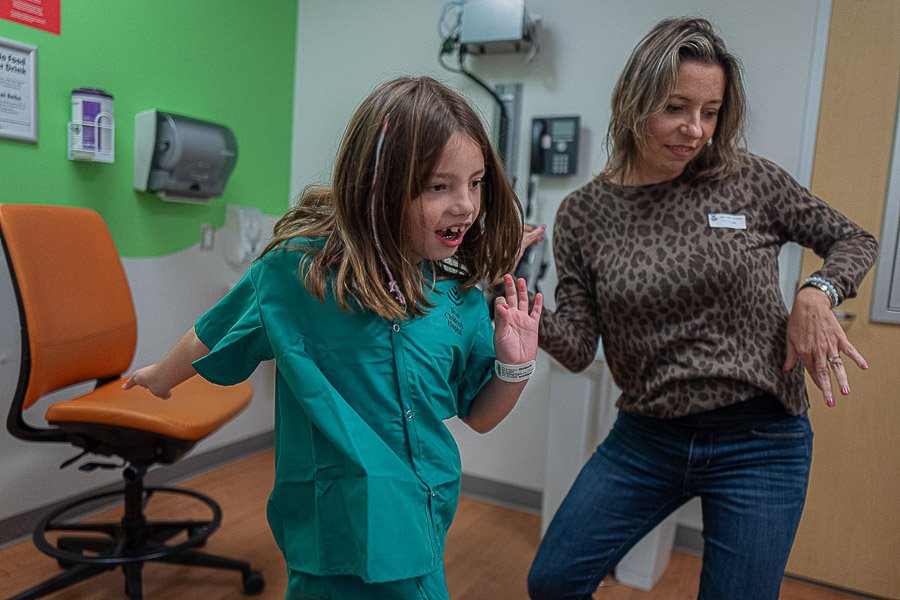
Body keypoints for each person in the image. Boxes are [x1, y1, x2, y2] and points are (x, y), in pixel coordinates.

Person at [124, 75, 543, 600]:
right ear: (379, 184)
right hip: (331, 528)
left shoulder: (458, 297)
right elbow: (212, 333)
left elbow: (480, 414)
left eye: (476, 183)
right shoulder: (299, 273)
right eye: (439, 186)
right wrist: (161, 377)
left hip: (420, 517)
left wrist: (515, 366)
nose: (466, 205)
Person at [526, 17, 879, 600]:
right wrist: (515, 306)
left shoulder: (748, 180)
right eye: (676, 108)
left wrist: (818, 291)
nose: (694, 129)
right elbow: (579, 347)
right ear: (634, 100)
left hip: (761, 440)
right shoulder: (584, 214)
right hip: (647, 437)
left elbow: (854, 240)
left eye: (710, 112)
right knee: (553, 581)